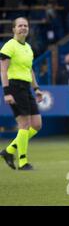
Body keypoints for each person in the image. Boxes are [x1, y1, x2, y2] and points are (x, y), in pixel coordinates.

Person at [0, 17, 43, 170]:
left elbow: (30, 70)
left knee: (37, 124)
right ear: (13, 29)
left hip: (26, 87)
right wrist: (6, 92)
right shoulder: (9, 46)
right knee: (24, 125)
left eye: (25, 25)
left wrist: (36, 88)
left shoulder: (28, 48)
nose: (23, 28)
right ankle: (23, 162)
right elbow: (3, 70)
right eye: (20, 26)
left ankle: (9, 150)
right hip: (14, 87)